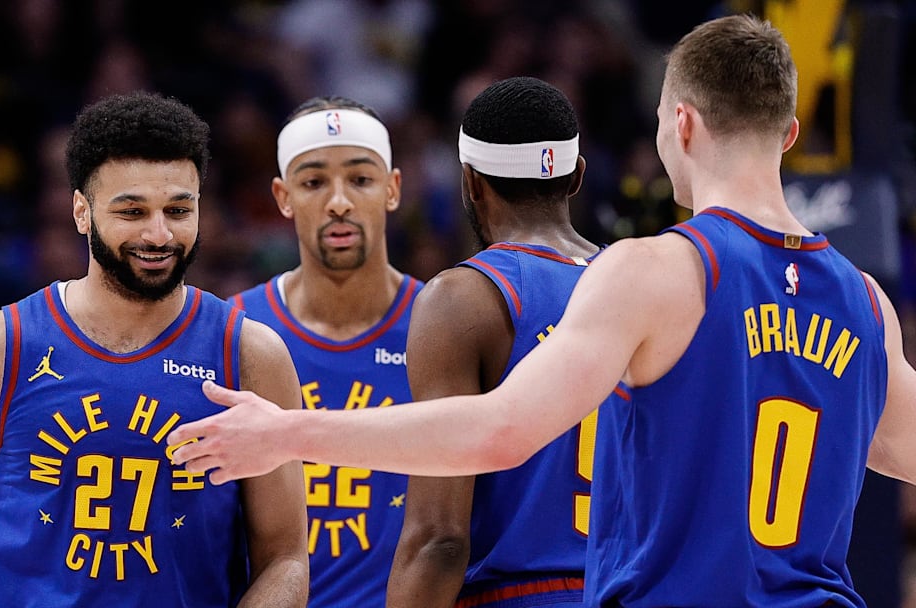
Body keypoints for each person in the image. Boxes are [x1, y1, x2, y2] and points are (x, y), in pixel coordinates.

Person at [168, 14, 916, 607]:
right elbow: (898, 450)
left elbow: (501, 432)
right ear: (788, 134)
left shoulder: (657, 268)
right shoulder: (863, 299)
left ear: (681, 125)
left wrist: (287, 432)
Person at [0, 91, 309, 607]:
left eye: (177, 209)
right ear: (81, 211)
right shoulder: (1, 344)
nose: (159, 233)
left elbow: (285, 558)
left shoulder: (252, 354)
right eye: (132, 211)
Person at [386, 76, 617, 607]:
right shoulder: (647, 285)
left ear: (470, 181)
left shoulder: (462, 299)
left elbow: (439, 538)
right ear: (577, 175)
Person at [227, 95, 421, 607]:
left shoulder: (443, 326)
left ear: (393, 189)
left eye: (360, 179)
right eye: (314, 182)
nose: (339, 201)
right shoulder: (233, 331)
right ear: (283, 196)